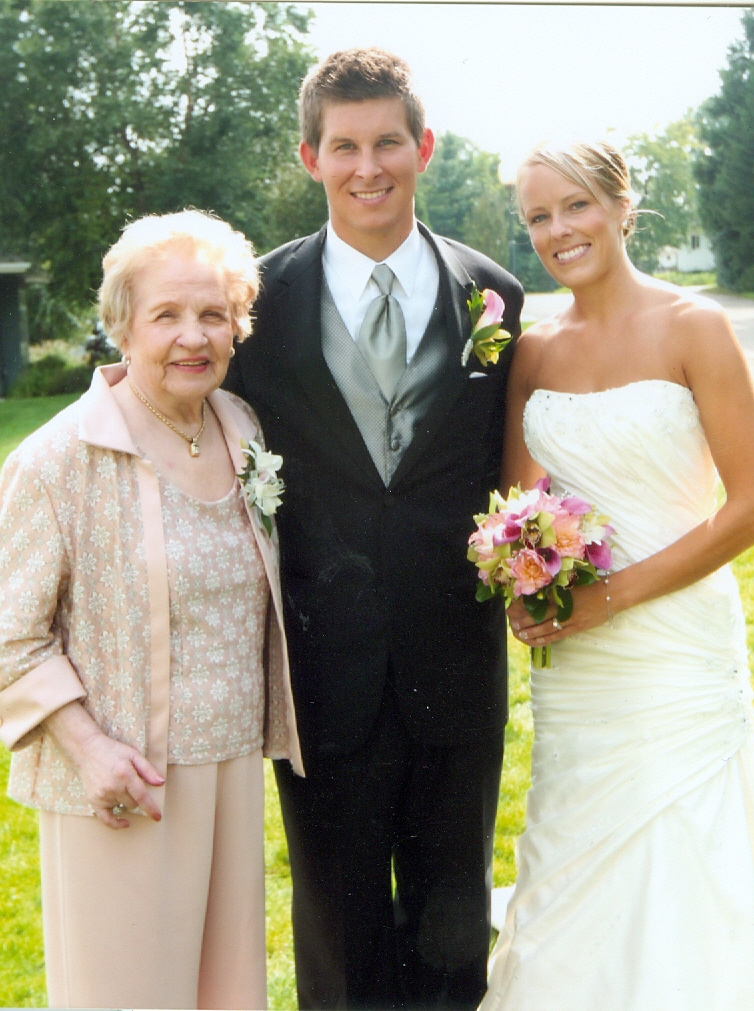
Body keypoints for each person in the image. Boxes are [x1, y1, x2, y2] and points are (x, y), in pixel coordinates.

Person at [225, 47, 523, 1011]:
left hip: (456, 662)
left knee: (452, 932)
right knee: (341, 943)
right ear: (310, 157)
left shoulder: (492, 295)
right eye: (344, 146)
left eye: (388, 142)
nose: (368, 167)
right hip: (322, 672)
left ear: (423, 148)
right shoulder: (254, 303)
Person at [0, 209, 302, 1010]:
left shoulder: (238, 426)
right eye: (166, 314)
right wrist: (91, 750)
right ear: (122, 326)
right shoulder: (59, 459)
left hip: (231, 772)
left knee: (226, 996)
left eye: (213, 313)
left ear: (238, 325)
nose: (192, 336)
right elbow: (9, 637)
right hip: (125, 785)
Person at [480, 141, 754, 1011]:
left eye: (577, 205)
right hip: (579, 667)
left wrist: (613, 596)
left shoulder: (694, 326)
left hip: (675, 649)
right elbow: (517, 504)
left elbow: (749, 502)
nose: (558, 230)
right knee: (576, 860)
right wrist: (522, 576)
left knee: (686, 855)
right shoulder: (532, 352)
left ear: (622, 206)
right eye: (538, 216)